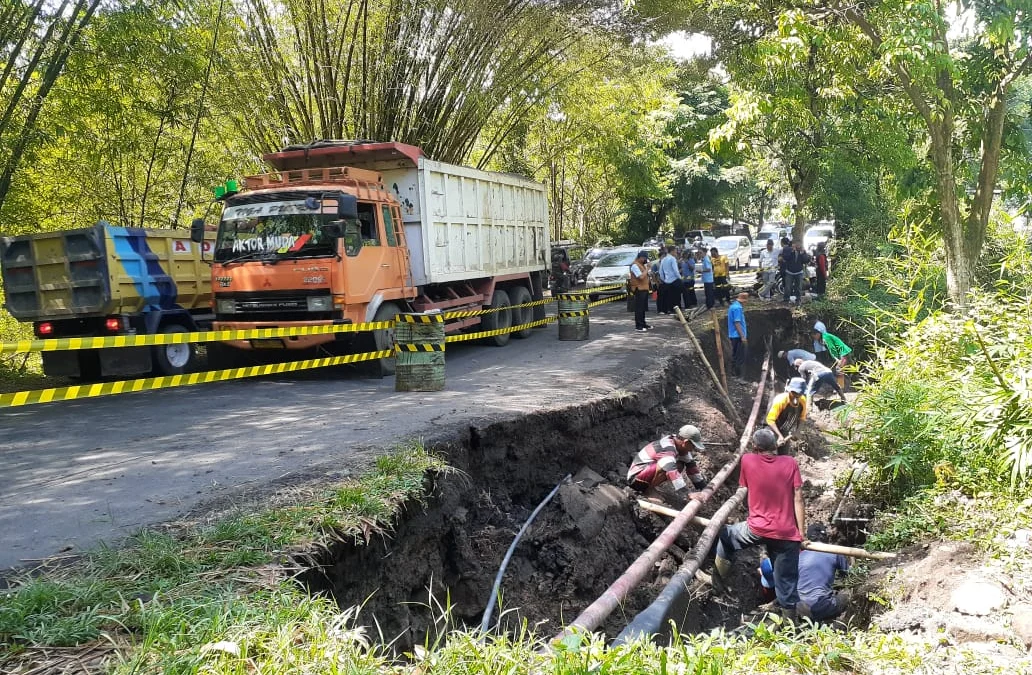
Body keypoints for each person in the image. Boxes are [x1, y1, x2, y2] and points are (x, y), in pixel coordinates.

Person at [708, 428, 810, 620]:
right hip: (786, 534)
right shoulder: (791, 463)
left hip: (755, 529)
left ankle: (717, 584)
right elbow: (798, 498)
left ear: (755, 446)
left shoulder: (748, 460)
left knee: (726, 535)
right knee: (786, 583)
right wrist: (801, 534)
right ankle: (791, 627)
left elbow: (745, 484)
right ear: (775, 445)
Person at [627, 424, 708, 494]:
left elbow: (692, 468)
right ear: (686, 442)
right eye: (693, 446)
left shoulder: (681, 448)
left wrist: (704, 488)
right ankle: (647, 491)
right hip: (635, 479)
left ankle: (649, 488)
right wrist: (687, 493)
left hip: (645, 475)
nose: (693, 449)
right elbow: (670, 470)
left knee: (680, 465)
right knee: (668, 467)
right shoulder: (667, 447)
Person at [797, 523, 851, 622]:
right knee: (849, 593)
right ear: (825, 536)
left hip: (801, 608)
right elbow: (849, 577)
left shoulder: (799, 556)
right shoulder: (835, 552)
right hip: (824, 607)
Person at [766, 377, 809, 446]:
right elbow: (770, 420)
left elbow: (802, 418)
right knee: (769, 451)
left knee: (783, 455)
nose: (797, 396)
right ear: (789, 390)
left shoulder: (803, 400)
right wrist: (779, 435)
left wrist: (798, 431)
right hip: (772, 430)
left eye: (799, 394)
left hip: (785, 431)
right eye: (794, 393)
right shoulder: (781, 401)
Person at [812, 325, 852, 389]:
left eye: (814, 336)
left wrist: (837, 359)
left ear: (818, 334)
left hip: (843, 352)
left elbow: (832, 348)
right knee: (842, 369)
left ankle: (841, 387)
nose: (814, 338)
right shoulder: (823, 337)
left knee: (839, 368)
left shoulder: (826, 337)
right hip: (843, 352)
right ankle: (846, 385)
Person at [628, 250, 652, 333]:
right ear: (640, 257)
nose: (646, 260)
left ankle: (643, 323)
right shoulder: (635, 265)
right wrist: (647, 268)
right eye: (645, 258)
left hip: (644, 288)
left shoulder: (641, 265)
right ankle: (639, 326)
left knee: (643, 308)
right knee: (639, 308)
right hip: (638, 289)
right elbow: (640, 277)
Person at [727, 292, 749, 378]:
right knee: (740, 357)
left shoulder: (733, 306)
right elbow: (737, 323)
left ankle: (734, 375)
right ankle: (738, 377)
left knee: (736, 355)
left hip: (734, 336)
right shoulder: (737, 308)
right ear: (743, 301)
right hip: (737, 336)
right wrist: (742, 336)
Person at [658, 245, 683, 314]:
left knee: (668, 297)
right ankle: (676, 310)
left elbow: (660, 271)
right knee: (676, 297)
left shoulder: (663, 259)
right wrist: (679, 278)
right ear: (672, 251)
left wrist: (664, 279)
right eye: (675, 252)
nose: (676, 253)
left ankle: (669, 309)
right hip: (674, 280)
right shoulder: (672, 259)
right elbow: (675, 270)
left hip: (667, 281)